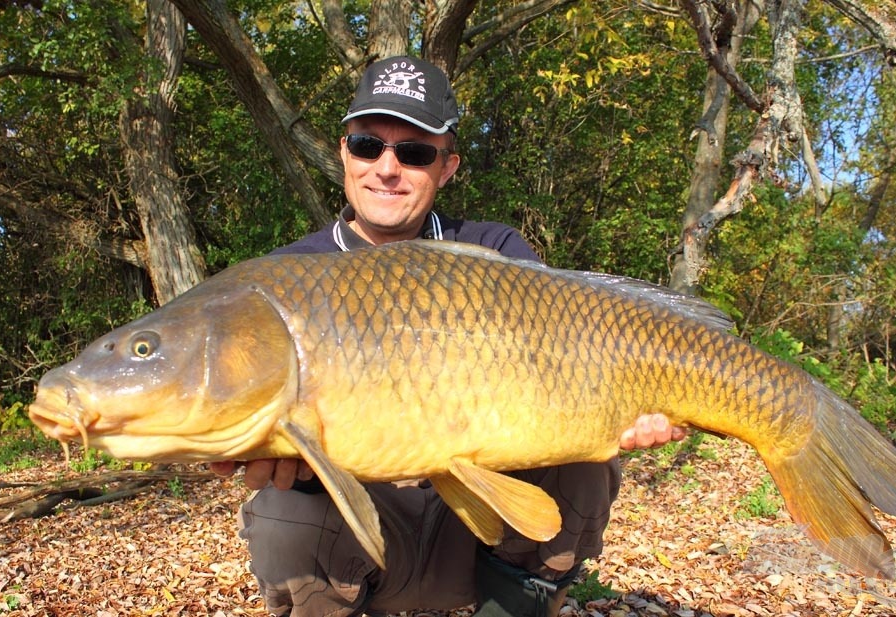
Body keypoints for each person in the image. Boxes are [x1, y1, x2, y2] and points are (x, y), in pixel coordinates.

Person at [211, 55, 684, 617]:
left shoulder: (496, 253)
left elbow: (584, 352)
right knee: (281, 505)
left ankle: (511, 607)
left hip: (477, 538)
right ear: (344, 152)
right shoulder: (286, 280)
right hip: (371, 541)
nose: (387, 168)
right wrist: (302, 472)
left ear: (447, 167)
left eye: (413, 153)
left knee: (585, 452)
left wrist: (647, 402)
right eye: (368, 145)